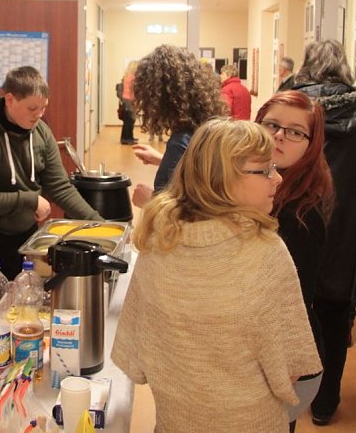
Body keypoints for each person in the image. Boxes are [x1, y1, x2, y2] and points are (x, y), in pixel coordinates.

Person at [112, 118, 322, 432]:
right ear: (222, 179)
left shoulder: (158, 241)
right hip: (250, 423)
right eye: (265, 170)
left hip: (175, 421)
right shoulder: (265, 252)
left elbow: (136, 348)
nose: (277, 178)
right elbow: (291, 368)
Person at [292, 39, 356, 426]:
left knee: (291, 311)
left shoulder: (292, 108)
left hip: (297, 225)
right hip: (348, 232)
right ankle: (325, 400)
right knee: (335, 316)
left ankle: (292, 392)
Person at [0, 66, 103, 279]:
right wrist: (30, 200)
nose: (38, 115)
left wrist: (97, 223)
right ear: (10, 100)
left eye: (43, 108)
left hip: (27, 232)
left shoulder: (41, 131)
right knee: (2, 304)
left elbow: (60, 186)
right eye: (32, 108)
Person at [255, 91, 335, 431]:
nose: (279, 136)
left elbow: (292, 303)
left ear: (311, 143)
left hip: (285, 362)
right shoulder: (256, 184)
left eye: (295, 131)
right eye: (272, 124)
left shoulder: (301, 214)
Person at [129, 45, 227, 208]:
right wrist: (163, 160)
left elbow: (185, 214)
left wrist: (149, 201)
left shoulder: (181, 141)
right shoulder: (210, 128)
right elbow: (200, 179)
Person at [117, 60, 138, 145]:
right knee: (130, 121)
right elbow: (134, 90)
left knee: (128, 121)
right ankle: (126, 139)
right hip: (130, 101)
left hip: (125, 101)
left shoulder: (126, 76)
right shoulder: (132, 77)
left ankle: (129, 137)